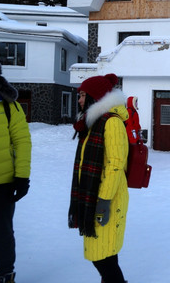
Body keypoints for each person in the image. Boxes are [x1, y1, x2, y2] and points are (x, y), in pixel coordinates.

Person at [69, 73, 129, 283]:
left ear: (95, 97)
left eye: (83, 95)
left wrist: (103, 200)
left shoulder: (111, 123)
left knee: (104, 258)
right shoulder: (93, 123)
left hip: (107, 198)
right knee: (106, 253)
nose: (79, 100)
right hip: (95, 196)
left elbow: (115, 165)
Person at [0, 58, 31, 283]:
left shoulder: (9, 105)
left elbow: (22, 142)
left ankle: (5, 274)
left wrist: (22, 177)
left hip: (3, 184)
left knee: (2, 234)